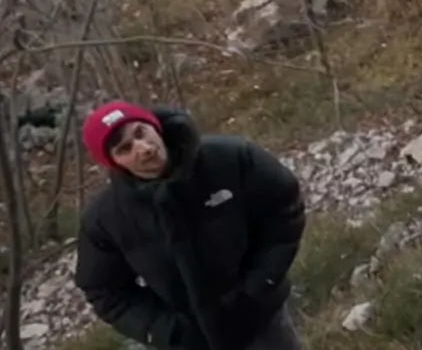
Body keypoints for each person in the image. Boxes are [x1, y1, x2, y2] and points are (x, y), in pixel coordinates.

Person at [74, 102, 306, 350]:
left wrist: (261, 283)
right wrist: (166, 330)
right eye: (125, 148)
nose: (143, 149)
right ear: (115, 162)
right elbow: (103, 289)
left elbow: (284, 209)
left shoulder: (231, 158)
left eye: (140, 133)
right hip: (191, 341)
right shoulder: (107, 219)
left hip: (263, 319)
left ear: (154, 125)